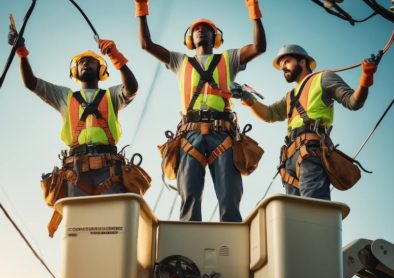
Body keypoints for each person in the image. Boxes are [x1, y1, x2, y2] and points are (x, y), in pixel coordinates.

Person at [135, 0, 266, 222]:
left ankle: (231, 244)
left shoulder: (228, 59)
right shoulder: (179, 61)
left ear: (215, 38)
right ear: (190, 38)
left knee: (229, 197)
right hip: (190, 133)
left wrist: (253, 9)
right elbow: (147, 45)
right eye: (197, 30)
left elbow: (258, 47)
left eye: (207, 30)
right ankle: (188, 248)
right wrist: (141, 9)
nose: (201, 32)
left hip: (223, 133)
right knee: (189, 196)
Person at [9, 28, 139, 235]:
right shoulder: (65, 97)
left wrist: (117, 58)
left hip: (109, 168)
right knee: (78, 228)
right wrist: (21, 53)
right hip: (77, 170)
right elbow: (30, 83)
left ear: (101, 69)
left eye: (92, 61)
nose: (86, 63)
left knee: (114, 227)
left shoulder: (112, 95)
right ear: (74, 71)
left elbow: (132, 88)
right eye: (81, 62)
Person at [235, 44, 382, 200]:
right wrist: (248, 99)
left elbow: (353, 102)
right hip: (289, 159)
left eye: (287, 61)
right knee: (294, 216)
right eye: (281, 65)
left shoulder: (323, 78)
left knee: (313, 208)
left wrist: (366, 78)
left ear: (303, 62)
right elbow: (269, 114)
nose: (283, 67)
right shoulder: (290, 96)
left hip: (311, 151)